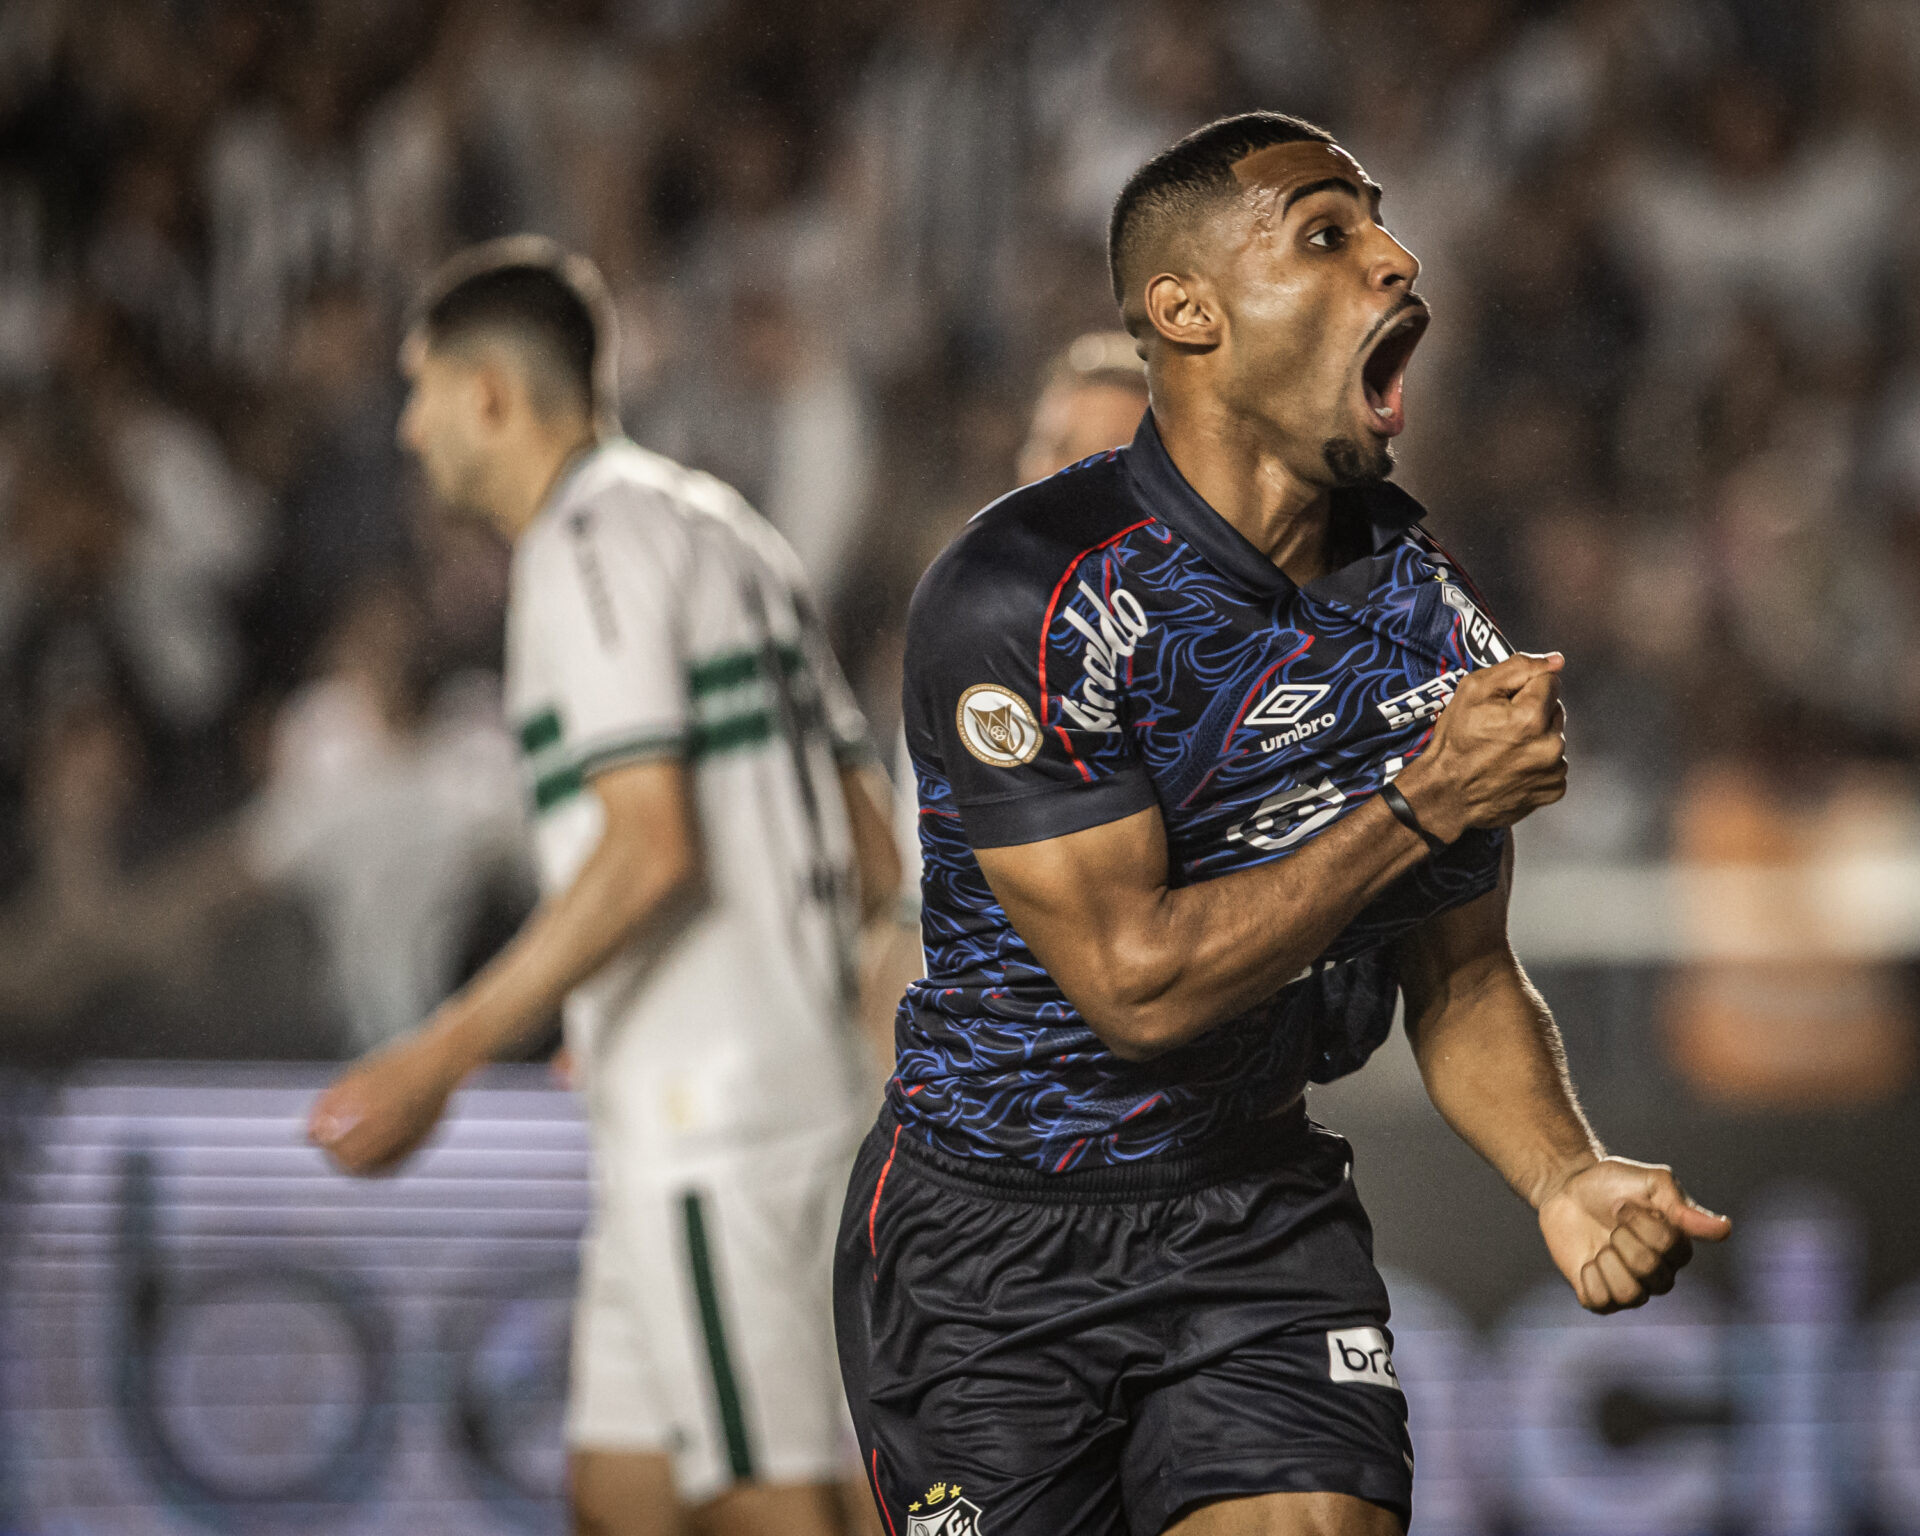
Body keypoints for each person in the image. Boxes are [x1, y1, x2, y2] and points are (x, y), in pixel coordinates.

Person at [836, 113, 1730, 1536]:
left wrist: (1561, 1170)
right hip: (991, 1246)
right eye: (1327, 232)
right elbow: (1136, 984)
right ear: (1186, 315)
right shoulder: (1025, 596)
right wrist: (1419, 798)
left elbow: (1465, 974)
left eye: (1379, 223)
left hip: (1249, 1212)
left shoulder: (1417, 616)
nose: (1395, 254)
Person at [307, 237, 900, 1536]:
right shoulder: (725, 526)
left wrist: (439, 1055)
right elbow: (871, 854)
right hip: (750, 1095)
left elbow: (648, 847)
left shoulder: (581, 545)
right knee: (621, 1492)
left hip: (714, 1121)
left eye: (421, 391)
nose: (407, 430)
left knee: (775, 1504)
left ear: (490, 397)